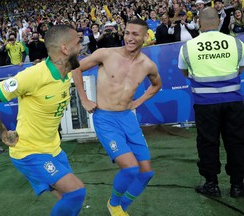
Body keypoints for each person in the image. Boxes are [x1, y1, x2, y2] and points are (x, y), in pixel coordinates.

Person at [0, 25, 86, 215]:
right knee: (76, 192)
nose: (82, 46)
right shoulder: (34, 75)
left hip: (53, 149)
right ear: (65, 49)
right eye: (78, 42)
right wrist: (2, 133)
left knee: (70, 204)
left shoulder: (66, 71)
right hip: (30, 152)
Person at [73, 18, 162, 215]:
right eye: (127, 33)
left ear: (145, 37)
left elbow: (157, 85)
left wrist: (138, 102)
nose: (130, 38)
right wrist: (84, 99)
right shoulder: (106, 54)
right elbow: (75, 68)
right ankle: (113, 204)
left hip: (128, 119)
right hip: (105, 119)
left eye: (135, 34)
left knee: (146, 172)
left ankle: (121, 208)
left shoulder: (148, 65)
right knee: (130, 169)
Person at [178, 7, 244, 198]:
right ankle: (237, 186)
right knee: (237, 141)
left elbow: (185, 72)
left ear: (199, 22)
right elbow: (240, 68)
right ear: (218, 21)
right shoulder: (236, 43)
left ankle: (211, 184)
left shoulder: (188, 46)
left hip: (205, 104)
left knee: (208, 142)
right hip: (233, 101)